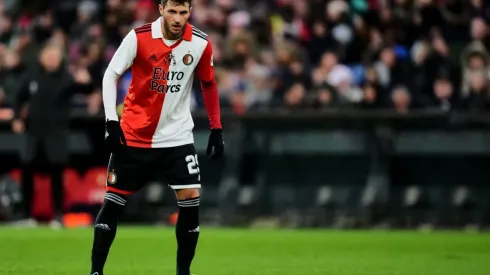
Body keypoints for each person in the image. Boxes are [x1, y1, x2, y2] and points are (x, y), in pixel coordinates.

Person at [89, 0, 224, 275]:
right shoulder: (138, 37)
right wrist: (111, 122)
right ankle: (96, 272)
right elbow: (110, 75)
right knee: (113, 201)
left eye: (183, 12)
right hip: (134, 135)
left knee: (191, 198)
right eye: (172, 11)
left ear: (190, 12)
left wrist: (216, 128)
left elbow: (208, 84)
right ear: (161, 8)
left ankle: (183, 273)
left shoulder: (200, 43)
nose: (177, 18)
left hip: (176, 137)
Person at [11, 42, 92, 229]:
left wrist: (86, 82)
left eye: (55, 57)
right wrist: (16, 117)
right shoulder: (32, 76)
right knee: (27, 173)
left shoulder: (66, 78)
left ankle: (58, 216)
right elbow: (17, 97)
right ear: (42, 58)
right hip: (34, 134)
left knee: (57, 176)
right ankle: (26, 216)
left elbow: (85, 90)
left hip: (57, 135)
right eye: (48, 56)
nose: (51, 60)